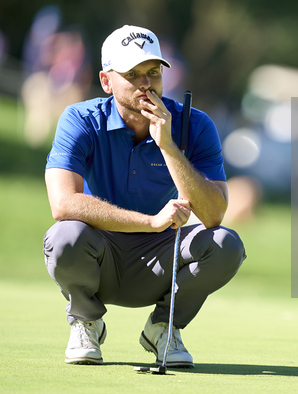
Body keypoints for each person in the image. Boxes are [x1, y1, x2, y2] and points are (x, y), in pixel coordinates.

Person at [42, 25, 246, 367]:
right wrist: (150, 222)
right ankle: (86, 321)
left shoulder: (193, 125)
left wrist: (168, 146)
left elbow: (214, 215)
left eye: (153, 73)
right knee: (64, 236)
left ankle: (163, 326)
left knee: (226, 245)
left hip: (159, 259)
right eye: (132, 74)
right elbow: (63, 204)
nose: (145, 83)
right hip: (100, 252)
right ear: (107, 81)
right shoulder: (80, 119)